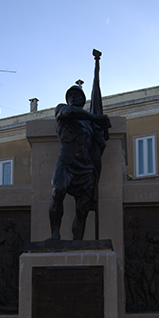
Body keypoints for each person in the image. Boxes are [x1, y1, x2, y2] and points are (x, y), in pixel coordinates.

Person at [48, 84, 111, 241]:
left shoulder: (90, 124)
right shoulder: (62, 109)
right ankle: (55, 234)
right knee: (58, 191)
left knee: (82, 209)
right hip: (66, 159)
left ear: (83, 100)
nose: (73, 98)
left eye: (77, 95)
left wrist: (104, 130)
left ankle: (78, 242)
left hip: (86, 165)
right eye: (70, 96)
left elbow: (100, 143)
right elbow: (70, 112)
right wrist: (96, 118)